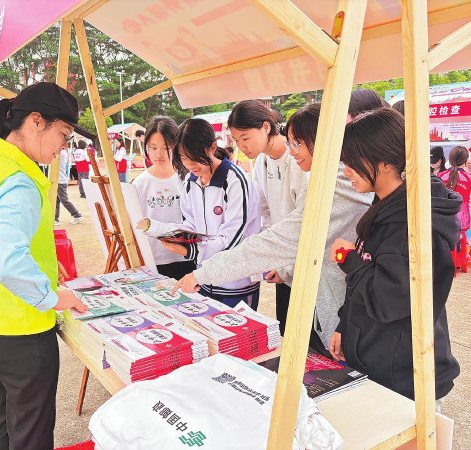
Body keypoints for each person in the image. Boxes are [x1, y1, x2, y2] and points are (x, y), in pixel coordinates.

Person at [173, 103, 373, 352]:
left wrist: (204, 272)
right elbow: (270, 220)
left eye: (298, 143)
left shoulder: (335, 181)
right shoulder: (274, 166)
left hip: (331, 290)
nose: (293, 150)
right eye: (291, 142)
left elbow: (284, 237)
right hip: (304, 274)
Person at [0, 82, 89, 450]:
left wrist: (44, 262)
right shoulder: (19, 181)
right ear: (36, 121)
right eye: (63, 134)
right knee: (31, 432)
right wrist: (54, 297)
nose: (63, 146)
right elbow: (8, 263)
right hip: (19, 331)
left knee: (7, 415)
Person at [329, 108, 460, 403]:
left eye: (352, 161)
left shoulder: (409, 222)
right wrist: (344, 324)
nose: (346, 171)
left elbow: (387, 300)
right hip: (381, 361)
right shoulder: (387, 205)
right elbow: (368, 274)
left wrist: (347, 259)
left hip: (405, 376)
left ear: (385, 161)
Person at [141, 118, 262, 309]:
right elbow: (190, 223)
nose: (190, 164)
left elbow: (232, 237)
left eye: (195, 157)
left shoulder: (235, 181)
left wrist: (193, 251)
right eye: (183, 158)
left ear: (212, 148)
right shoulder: (191, 181)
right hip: (204, 278)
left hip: (235, 282)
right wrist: (172, 234)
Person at [228, 99, 308, 335]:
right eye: (236, 140)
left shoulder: (298, 159)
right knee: (287, 330)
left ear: (265, 127)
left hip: (304, 263)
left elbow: (303, 222)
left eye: (245, 137)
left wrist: (287, 267)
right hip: (282, 265)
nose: (242, 146)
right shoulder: (262, 161)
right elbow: (265, 212)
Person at [132, 116, 194, 279]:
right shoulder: (140, 183)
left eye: (166, 147)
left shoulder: (187, 179)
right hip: (154, 259)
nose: (159, 154)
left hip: (185, 256)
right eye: (153, 148)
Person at [438, 146, 471, 237]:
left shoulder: (440, 176)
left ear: (451, 159)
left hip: (443, 217)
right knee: (462, 243)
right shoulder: (468, 177)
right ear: (465, 160)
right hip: (462, 218)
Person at [55, 145, 83, 226]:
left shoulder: (61, 152)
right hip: (59, 179)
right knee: (56, 200)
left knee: (64, 200)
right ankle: (55, 218)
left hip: (60, 180)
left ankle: (77, 215)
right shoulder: (62, 152)